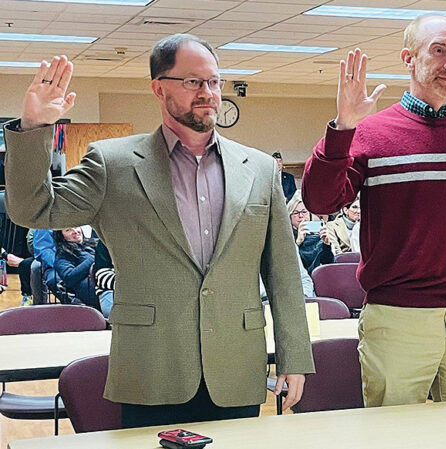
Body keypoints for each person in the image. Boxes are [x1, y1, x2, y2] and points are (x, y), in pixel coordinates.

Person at [2, 34, 314, 427]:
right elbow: (31, 207)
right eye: (192, 81)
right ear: (158, 88)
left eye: (214, 81)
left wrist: (294, 356)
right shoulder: (113, 164)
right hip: (151, 368)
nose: (207, 93)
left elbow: (283, 273)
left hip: (237, 366)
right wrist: (34, 127)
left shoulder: (260, 169)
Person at [302, 15, 446, 408]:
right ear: (409, 58)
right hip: (397, 320)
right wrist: (343, 126)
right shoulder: (370, 133)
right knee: (394, 433)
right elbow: (320, 201)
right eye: (439, 51)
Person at [287, 192, 333, 275]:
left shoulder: (317, 235)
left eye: (304, 212)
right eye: (296, 213)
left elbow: (328, 263)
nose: (301, 216)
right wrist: (298, 242)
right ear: (290, 216)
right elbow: (288, 263)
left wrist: (326, 245)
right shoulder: (286, 236)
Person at [52, 227, 98, 308]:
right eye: (68, 230)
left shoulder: (95, 244)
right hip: (92, 296)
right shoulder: (63, 256)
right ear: (61, 236)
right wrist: (94, 259)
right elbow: (69, 277)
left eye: (76, 227)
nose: (75, 231)